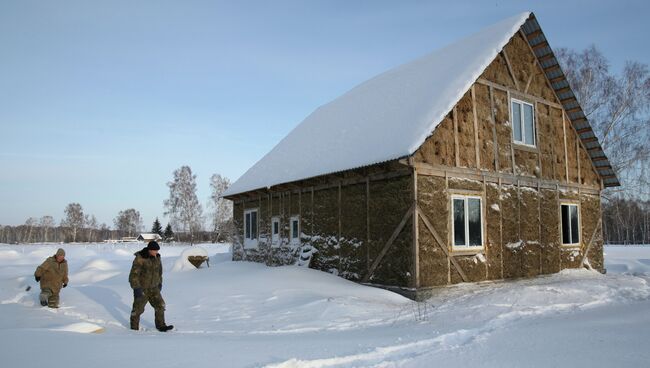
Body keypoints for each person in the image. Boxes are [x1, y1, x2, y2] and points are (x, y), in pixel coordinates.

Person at [128, 241, 173, 332]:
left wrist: (159, 283)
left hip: (154, 288)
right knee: (138, 310)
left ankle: (161, 325)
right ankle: (133, 328)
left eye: (157, 250)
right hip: (142, 288)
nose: (156, 252)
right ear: (149, 249)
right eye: (154, 250)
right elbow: (133, 275)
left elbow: (159, 272)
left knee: (160, 305)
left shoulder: (157, 258)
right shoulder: (140, 258)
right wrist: (136, 288)